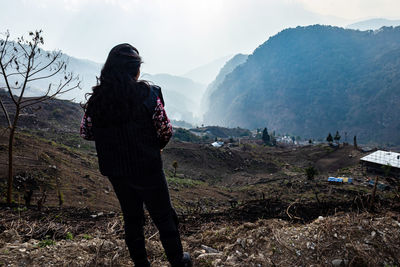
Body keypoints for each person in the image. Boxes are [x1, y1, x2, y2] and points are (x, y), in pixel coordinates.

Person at [80, 43, 192, 267]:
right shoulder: (149, 95)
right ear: (135, 70)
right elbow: (165, 130)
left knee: (132, 218)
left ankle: (141, 263)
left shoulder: (97, 100)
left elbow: (86, 132)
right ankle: (178, 261)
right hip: (148, 166)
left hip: (116, 170)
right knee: (163, 216)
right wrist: (154, 146)